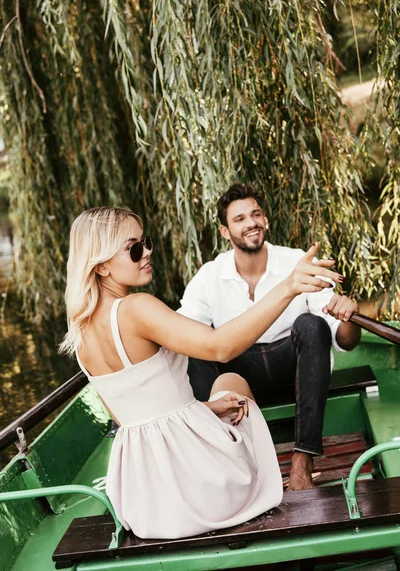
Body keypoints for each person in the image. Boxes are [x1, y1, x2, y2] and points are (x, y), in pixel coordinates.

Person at [59, 206, 344, 540]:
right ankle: (281, 474)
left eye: (145, 242)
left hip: (146, 502)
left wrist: (206, 409)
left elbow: (132, 418)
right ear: (102, 265)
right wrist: (288, 287)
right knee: (231, 381)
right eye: (134, 248)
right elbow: (220, 347)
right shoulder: (136, 308)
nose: (147, 252)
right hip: (200, 491)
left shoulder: (79, 333)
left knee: (222, 392)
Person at [178, 184, 361, 491]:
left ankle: (303, 462)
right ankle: (222, 460)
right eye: (239, 219)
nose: (251, 222)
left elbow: (346, 340)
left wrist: (348, 314)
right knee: (194, 344)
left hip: (292, 371)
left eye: (256, 214)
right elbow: (180, 333)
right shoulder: (209, 276)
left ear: (266, 221)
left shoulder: (296, 261)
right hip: (237, 375)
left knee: (311, 324)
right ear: (225, 231)